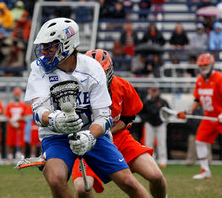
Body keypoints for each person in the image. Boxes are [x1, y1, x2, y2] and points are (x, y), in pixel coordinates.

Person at [25, 17, 150, 198]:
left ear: (67, 44)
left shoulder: (92, 68)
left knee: (128, 182)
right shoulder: (39, 68)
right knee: (55, 179)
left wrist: (90, 136)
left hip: (91, 135)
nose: (44, 52)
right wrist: (53, 119)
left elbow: (104, 116)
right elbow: (38, 111)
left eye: (49, 46)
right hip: (56, 135)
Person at [72, 49, 167, 198]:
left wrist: (109, 130)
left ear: (109, 71)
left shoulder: (122, 86)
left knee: (156, 176)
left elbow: (128, 117)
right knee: (82, 189)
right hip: (88, 143)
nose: (95, 78)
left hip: (119, 138)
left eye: (99, 73)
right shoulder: (75, 90)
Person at [177, 53, 222, 179]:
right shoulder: (200, 80)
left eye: (205, 65)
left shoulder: (219, 78)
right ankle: (205, 170)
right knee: (200, 141)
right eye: (201, 66)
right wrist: (189, 111)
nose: (203, 68)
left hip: (220, 116)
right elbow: (197, 100)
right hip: (209, 117)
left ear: (212, 64)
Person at [139, 86, 170, 168]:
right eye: (153, 91)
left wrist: (165, 121)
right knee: (148, 143)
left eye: (155, 91)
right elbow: (141, 112)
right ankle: (150, 161)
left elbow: (168, 111)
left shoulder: (163, 101)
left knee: (161, 143)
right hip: (149, 124)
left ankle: (163, 161)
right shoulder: (146, 102)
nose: (154, 92)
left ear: (158, 92)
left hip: (161, 124)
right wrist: (145, 121)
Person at [5, 87, 28, 165]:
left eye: (18, 95)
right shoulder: (10, 105)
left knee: (21, 144)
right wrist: (12, 122)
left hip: (20, 127)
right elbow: (7, 116)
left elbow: (26, 117)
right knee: (10, 143)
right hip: (11, 127)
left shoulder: (23, 105)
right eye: (16, 95)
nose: (17, 96)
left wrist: (18, 119)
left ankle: (21, 158)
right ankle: (10, 158)